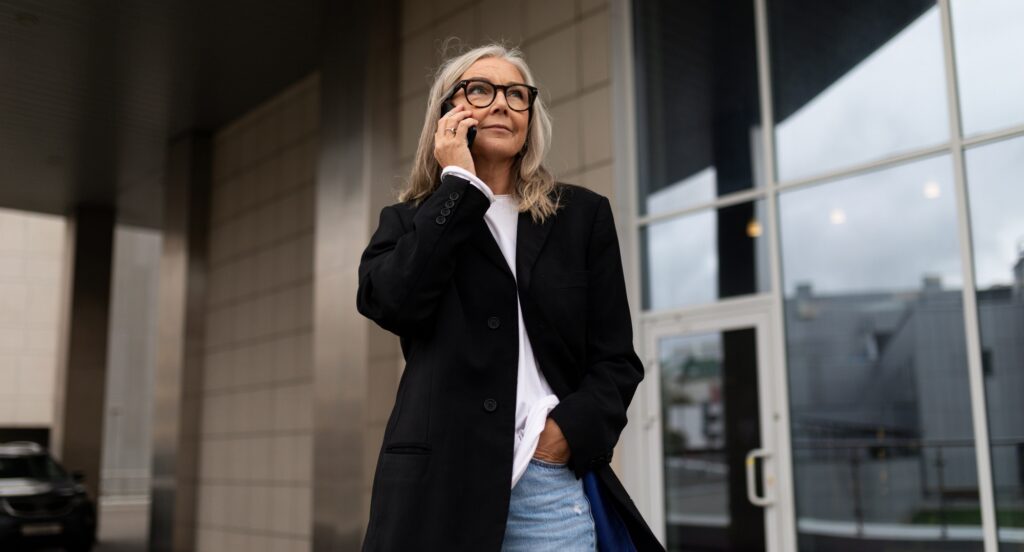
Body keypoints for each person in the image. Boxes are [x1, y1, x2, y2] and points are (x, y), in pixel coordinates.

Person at [356, 43, 662, 551]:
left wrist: (562, 437)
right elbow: (391, 302)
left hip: (546, 486)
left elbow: (616, 360)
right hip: (438, 489)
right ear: (447, 115)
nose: (502, 103)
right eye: (480, 90)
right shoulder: (410, 221)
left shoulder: (580, 217)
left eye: (516, 95)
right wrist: (459, 187)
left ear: (529, 117)